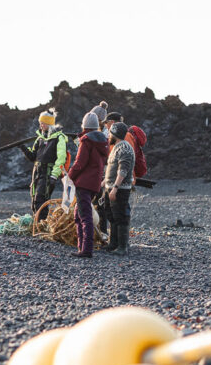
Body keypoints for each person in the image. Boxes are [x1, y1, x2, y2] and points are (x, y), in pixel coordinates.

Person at [66, 111, 110, 258]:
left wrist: (69, 176)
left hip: (83, 183)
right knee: (79, 215)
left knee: (84, 216)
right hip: (94, 183)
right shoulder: (103, 141)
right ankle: (82, 247)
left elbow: (80, 163)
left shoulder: (86, 141)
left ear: (85, 126)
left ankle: (86, 250)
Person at [19, 108, 68, 221]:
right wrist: (23, 148)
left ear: (49, 123)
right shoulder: (40, 139)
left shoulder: (59, 138)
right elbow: (32, 157)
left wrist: (54, 175)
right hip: (36, 172)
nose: (41, 125)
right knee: (34, 200)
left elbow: (61, 158)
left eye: (43, 123)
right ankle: (36, 225)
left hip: (48, 173)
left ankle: (41, 226)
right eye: (40, 123)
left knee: (41, 200)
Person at [101, 121, 135, 255]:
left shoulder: (124, 149)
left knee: (121, 216)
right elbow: (113, 168)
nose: (109, 135)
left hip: (120, 189)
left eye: (110, 133)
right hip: (110, 186)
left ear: (115, 134)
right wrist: (105, 182)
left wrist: (115, 187)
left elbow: (123, 170)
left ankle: (122, 247)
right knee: (112, 215)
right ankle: (113, 243)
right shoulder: (117, 147)